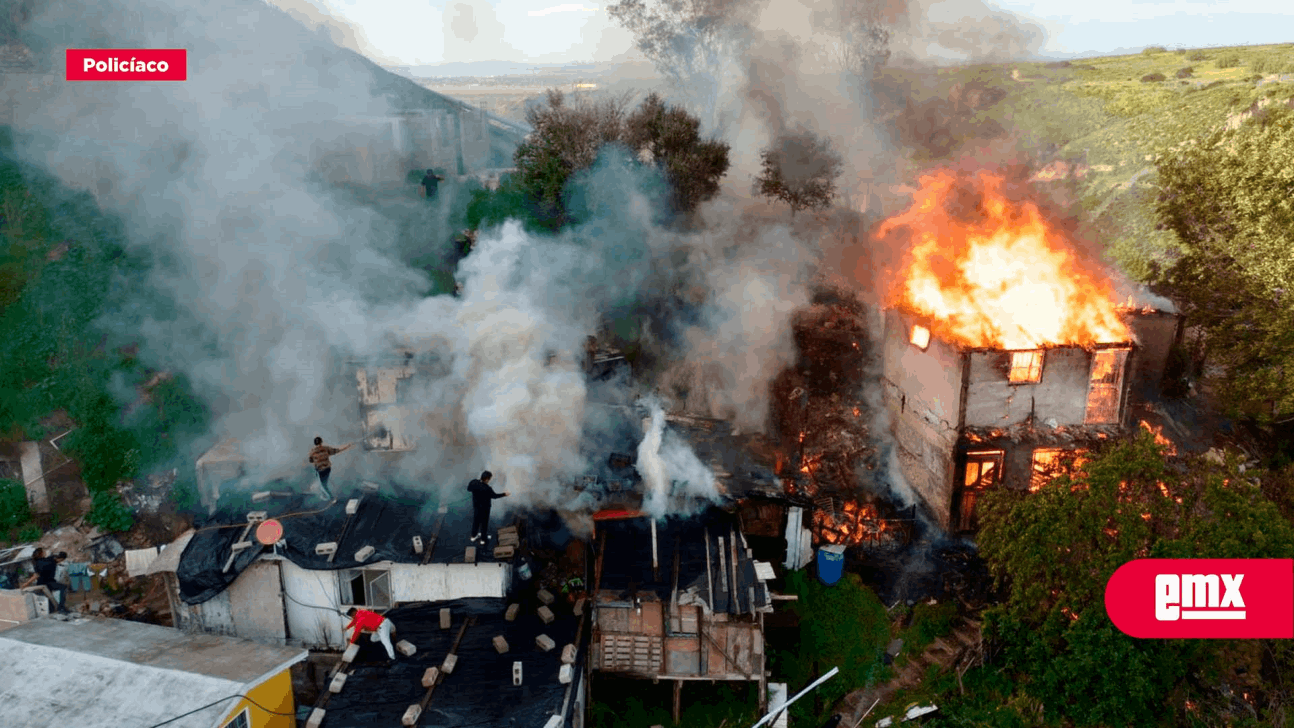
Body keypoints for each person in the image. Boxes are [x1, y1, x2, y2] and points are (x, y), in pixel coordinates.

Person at [20, 549, 69, 613]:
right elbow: (36, 575)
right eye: (44, 551)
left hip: (44, 583)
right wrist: (27, 583)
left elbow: (54, 559)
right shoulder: (45, 562)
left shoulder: (40, 561)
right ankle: (61, 608)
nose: (45, 552)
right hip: (46, 583)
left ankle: (54, 610)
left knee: (49, 602)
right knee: (63, 588)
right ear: (41, 554)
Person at [468, 470, 508, 545]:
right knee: (484, 524)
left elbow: (469, 489)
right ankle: (483, 540)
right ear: (486, 479)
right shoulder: (487, 488)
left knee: (476, 522)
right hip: (485, 509)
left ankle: (473, 537)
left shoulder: (474, 482)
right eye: (489, 479)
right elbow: (495, 496)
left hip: (476, 507)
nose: (489, 480)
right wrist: (505, 494)